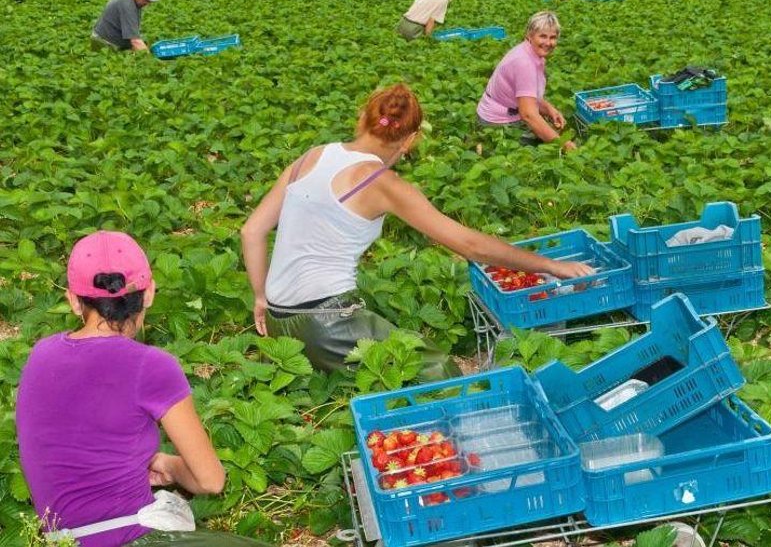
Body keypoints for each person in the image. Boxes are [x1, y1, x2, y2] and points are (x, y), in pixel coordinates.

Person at [241, 84, 594, 375]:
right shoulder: (381, 183)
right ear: (409, 141)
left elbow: (252, 231)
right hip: (326, 326)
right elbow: (471, 245)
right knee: (437, 371)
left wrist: (261, 297)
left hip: (278, 322)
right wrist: (550, 265)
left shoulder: (310, 157)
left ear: (361, 119)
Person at [15, 231, 269, 547]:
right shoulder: (151, 365)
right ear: (149, 293)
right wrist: (171, 467)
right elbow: (211, 479)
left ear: (73, 300)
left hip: (60, 540)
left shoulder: (40, 354)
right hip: (132, 537)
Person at [476, 11, 576, 150]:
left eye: (553, 37)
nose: (548, 42)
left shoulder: (532, 53)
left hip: (507, 113)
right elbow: (528, 115)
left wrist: (549, 109)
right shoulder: (524, 63)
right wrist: (564, 145)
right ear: (529, 35)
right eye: (543, 36)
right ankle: (487, 144)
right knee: (544, 152)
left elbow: (528, 96)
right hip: (496, 123)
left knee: (552, 133)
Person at [91, 0, 160, 52]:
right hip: (104, 42)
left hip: (105, 37)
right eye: (146, 0)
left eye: (150, 1)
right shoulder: (127, 5)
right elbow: (135, 41)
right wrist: (150, 59)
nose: (148, 4)